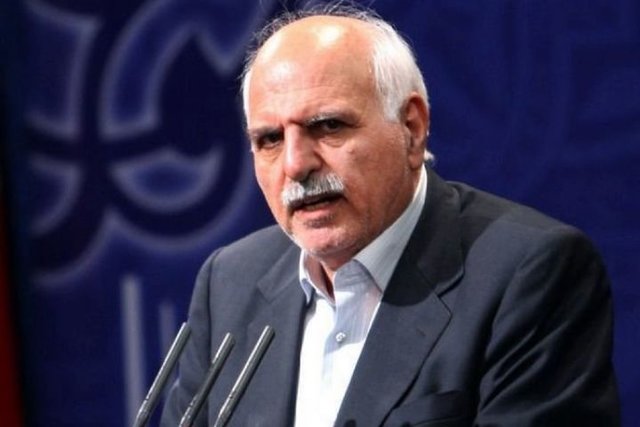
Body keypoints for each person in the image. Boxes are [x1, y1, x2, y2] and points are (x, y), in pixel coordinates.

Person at [161, 5, 619, 426]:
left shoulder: (528, 274)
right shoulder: (229, 282)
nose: (296, 164)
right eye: (270, 140)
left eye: (328, 126)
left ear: (412, 128)